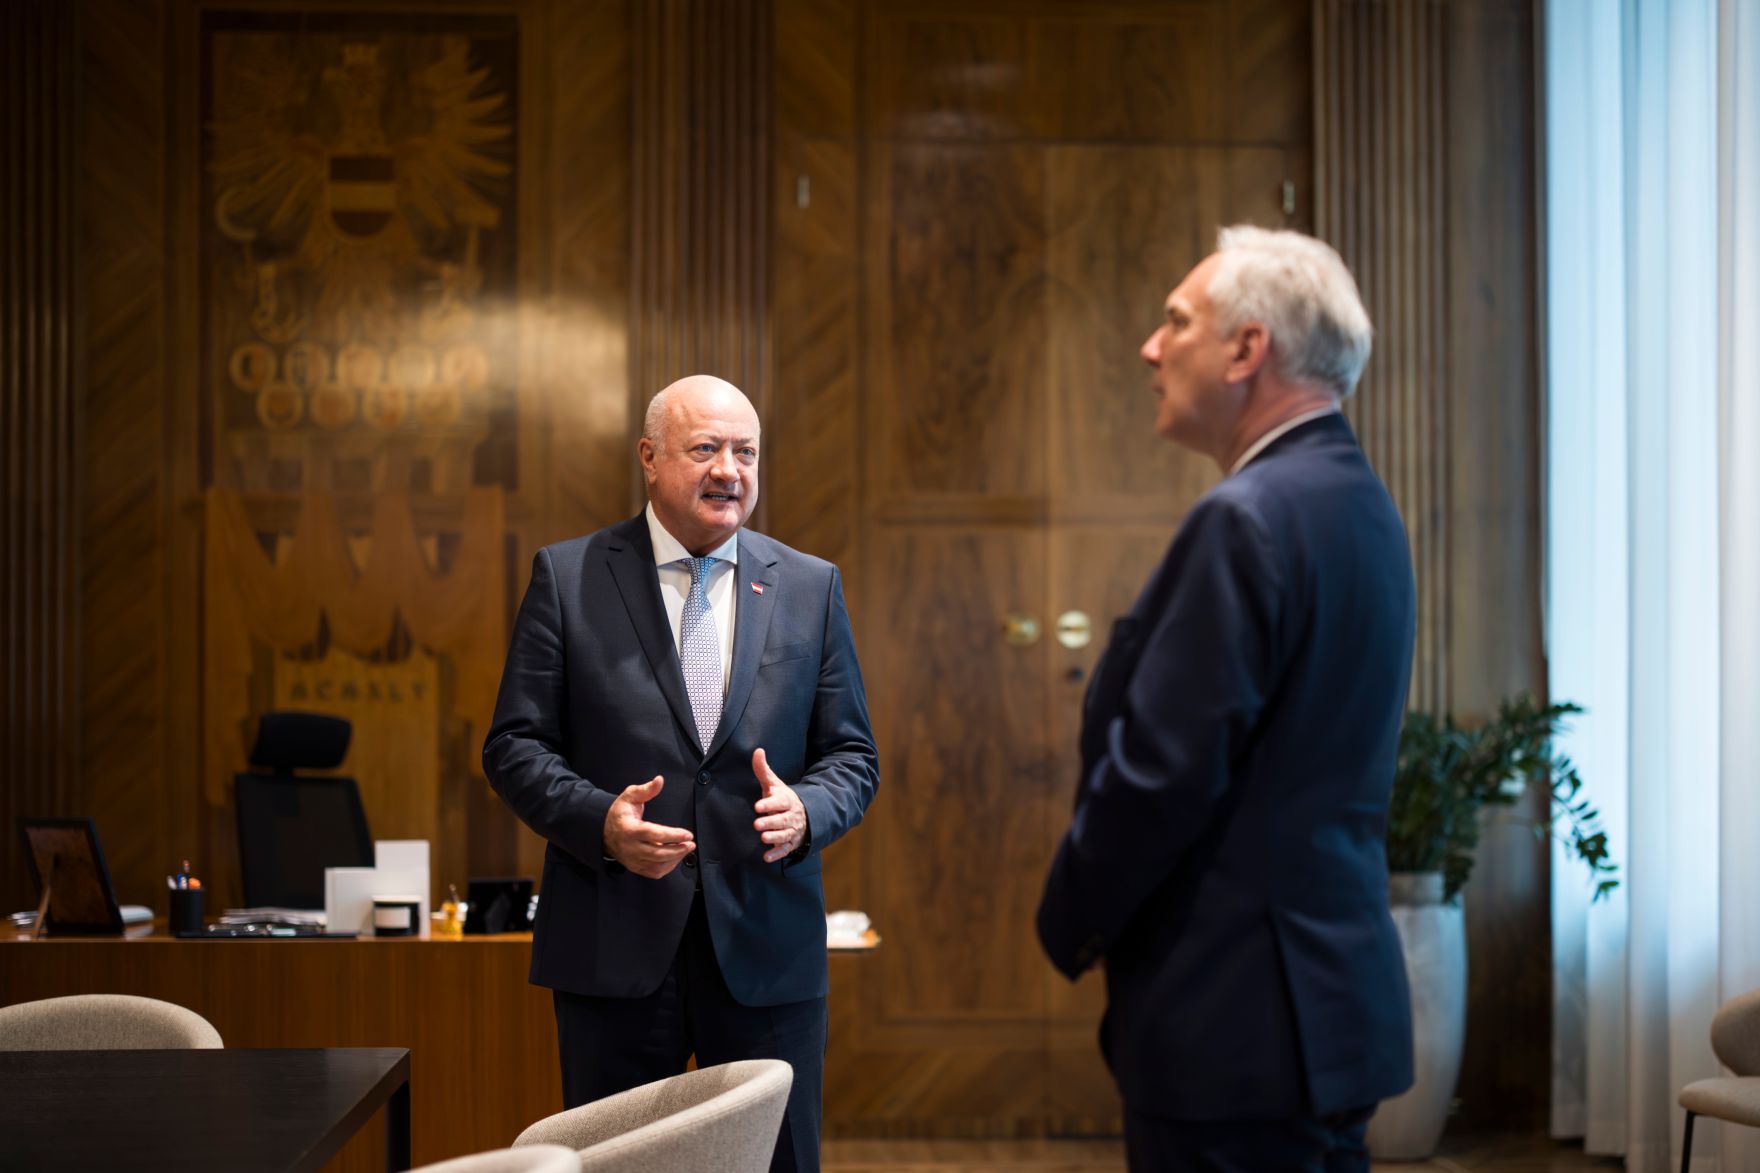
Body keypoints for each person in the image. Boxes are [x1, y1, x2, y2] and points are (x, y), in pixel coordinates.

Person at [1036, 227, 1417, 1171]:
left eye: (1177, 322)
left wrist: (1068, 920)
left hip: (1232, 1017)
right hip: (1328, 1008)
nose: (1150, 348)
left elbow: (1161, 773)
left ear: (1249, 349)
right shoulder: (1364, 506)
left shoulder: (1245, 518)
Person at [483, 374, 879, 1173]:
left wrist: (807, 811)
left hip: (766, 948)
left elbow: (853, 755)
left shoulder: (809, 585)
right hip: (614, 947)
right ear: (649, 458)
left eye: (746, 452)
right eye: (705, 449)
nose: (729, 470)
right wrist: (601, 822)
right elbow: (515, 745)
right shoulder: (569, 577)